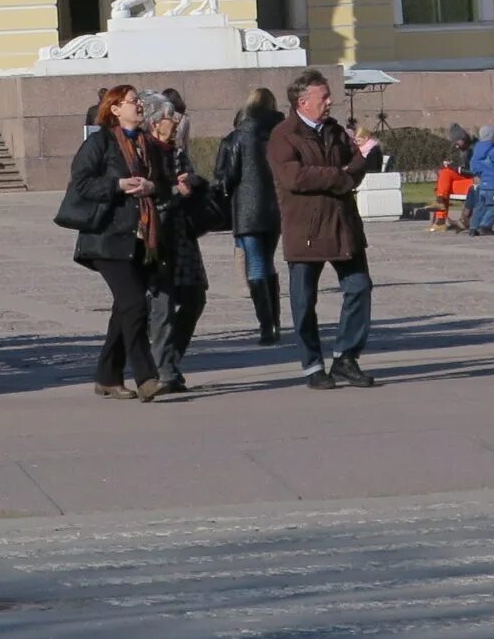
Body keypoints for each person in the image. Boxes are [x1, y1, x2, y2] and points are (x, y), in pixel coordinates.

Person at [269, 68, 380, 389]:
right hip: (306, 229)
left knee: (359, 287)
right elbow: (295, 178)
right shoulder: (283, 136)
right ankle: (312, 365)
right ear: (303, 102)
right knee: (304, 302)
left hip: (343, 225)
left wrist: (343, 172)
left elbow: (358, 162)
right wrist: (338, 175)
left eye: (329, 95)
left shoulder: (333, 130)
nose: (331, 102)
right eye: (324, 97)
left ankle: (346, 356)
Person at [63, 82, 163, 399]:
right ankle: (146, 376)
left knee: (125, 308)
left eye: (139, 101)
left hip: (140, 238)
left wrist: (151, 186)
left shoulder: (146, 142)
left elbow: (161, 180)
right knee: (135, 303)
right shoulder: (101, 143)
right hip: (107, 238)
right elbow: (81, 183)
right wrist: (117, 184)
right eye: (133, 101)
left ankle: (107, 376)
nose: (139, 105)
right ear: (115, 109)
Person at [145, 93, 212, 395]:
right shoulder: (145, 152)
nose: (176, 122)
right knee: (162, 304)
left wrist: (195, 183)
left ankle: (170, 360)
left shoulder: (176, 150)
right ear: (155, 123)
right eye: (170, 117)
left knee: (195, 297)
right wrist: (176, 191)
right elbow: (149, 195)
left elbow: (192, 179)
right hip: (159, 236)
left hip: (183, 235)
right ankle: (164, 370)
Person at [212, 84, 284, 343]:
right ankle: (274, 322)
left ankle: (267, 326)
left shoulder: (237, 137)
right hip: (275, 208)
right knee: (268, 262)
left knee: (256, 264)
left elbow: (226, 177)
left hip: (247, 209)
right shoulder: (280, 134)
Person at [466, 124, 494, 235]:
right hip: (493, 183)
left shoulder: (477, 150)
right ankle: (485, 225)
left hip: (482, 183)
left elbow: (473, 166)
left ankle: (473, 226)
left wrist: (478, 174)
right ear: (491, 136)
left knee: (480, 206)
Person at [433, 123, 473, 232]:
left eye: (457, 142)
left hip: (474, 181)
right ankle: (440, 215)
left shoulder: (474, 149)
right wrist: (451, 166)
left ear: (463, 138)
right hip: (463, 179)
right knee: (445, 173)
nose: (456, 146)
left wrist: (457, 169)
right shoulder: (461, 149)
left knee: (443, 186)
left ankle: (440, 218)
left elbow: (475, 171)